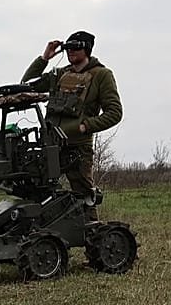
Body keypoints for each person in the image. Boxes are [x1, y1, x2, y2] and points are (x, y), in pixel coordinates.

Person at [21, 30, 123, 221]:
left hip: (78, 148)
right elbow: (27, 84)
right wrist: (44, 58)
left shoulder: (102, 75)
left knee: (84, 197)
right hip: (51, 145)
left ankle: (93, 237)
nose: (70, 52)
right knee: (38, 192)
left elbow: (115, 112)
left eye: (76, 48)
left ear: (87, 49)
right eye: (68, 48)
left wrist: (86, 126)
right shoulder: (60, 74)